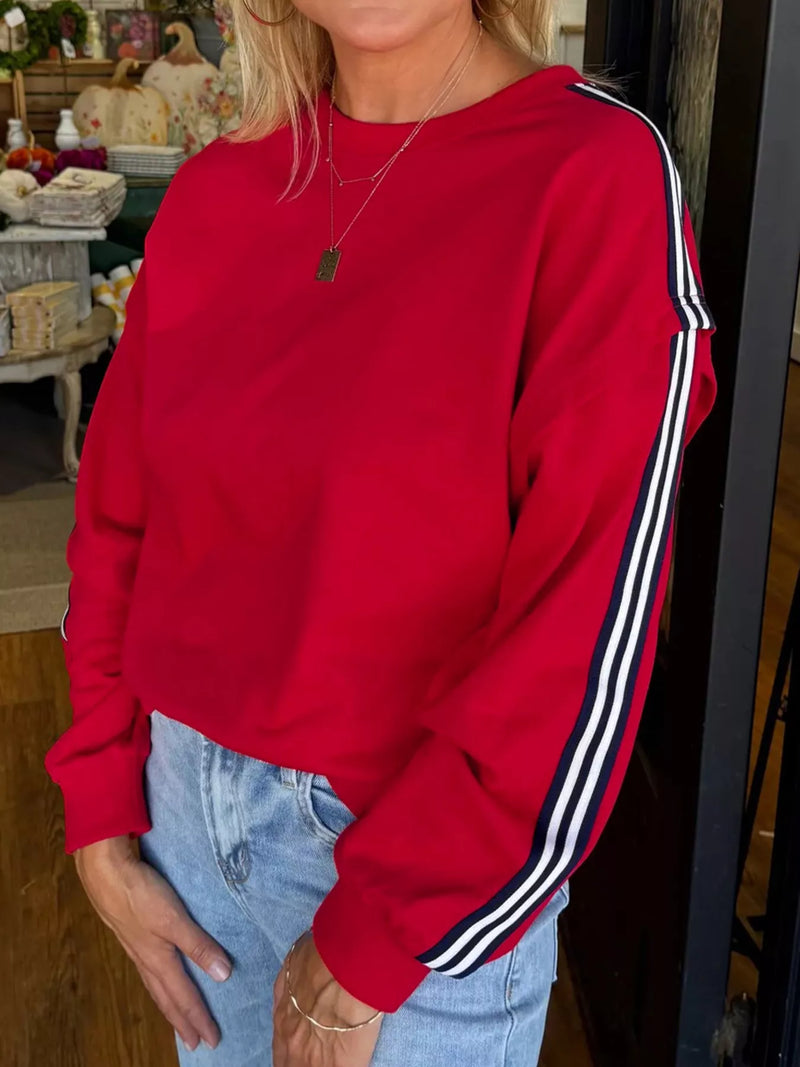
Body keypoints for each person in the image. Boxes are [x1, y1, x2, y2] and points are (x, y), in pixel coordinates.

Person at [44, 1, 718, 1064]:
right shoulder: (222, 187)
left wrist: (384, 928)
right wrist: (96, 807)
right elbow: (118, 518)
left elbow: (584, 623)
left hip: (410, 862)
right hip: (179, 818)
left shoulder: (591, 172)